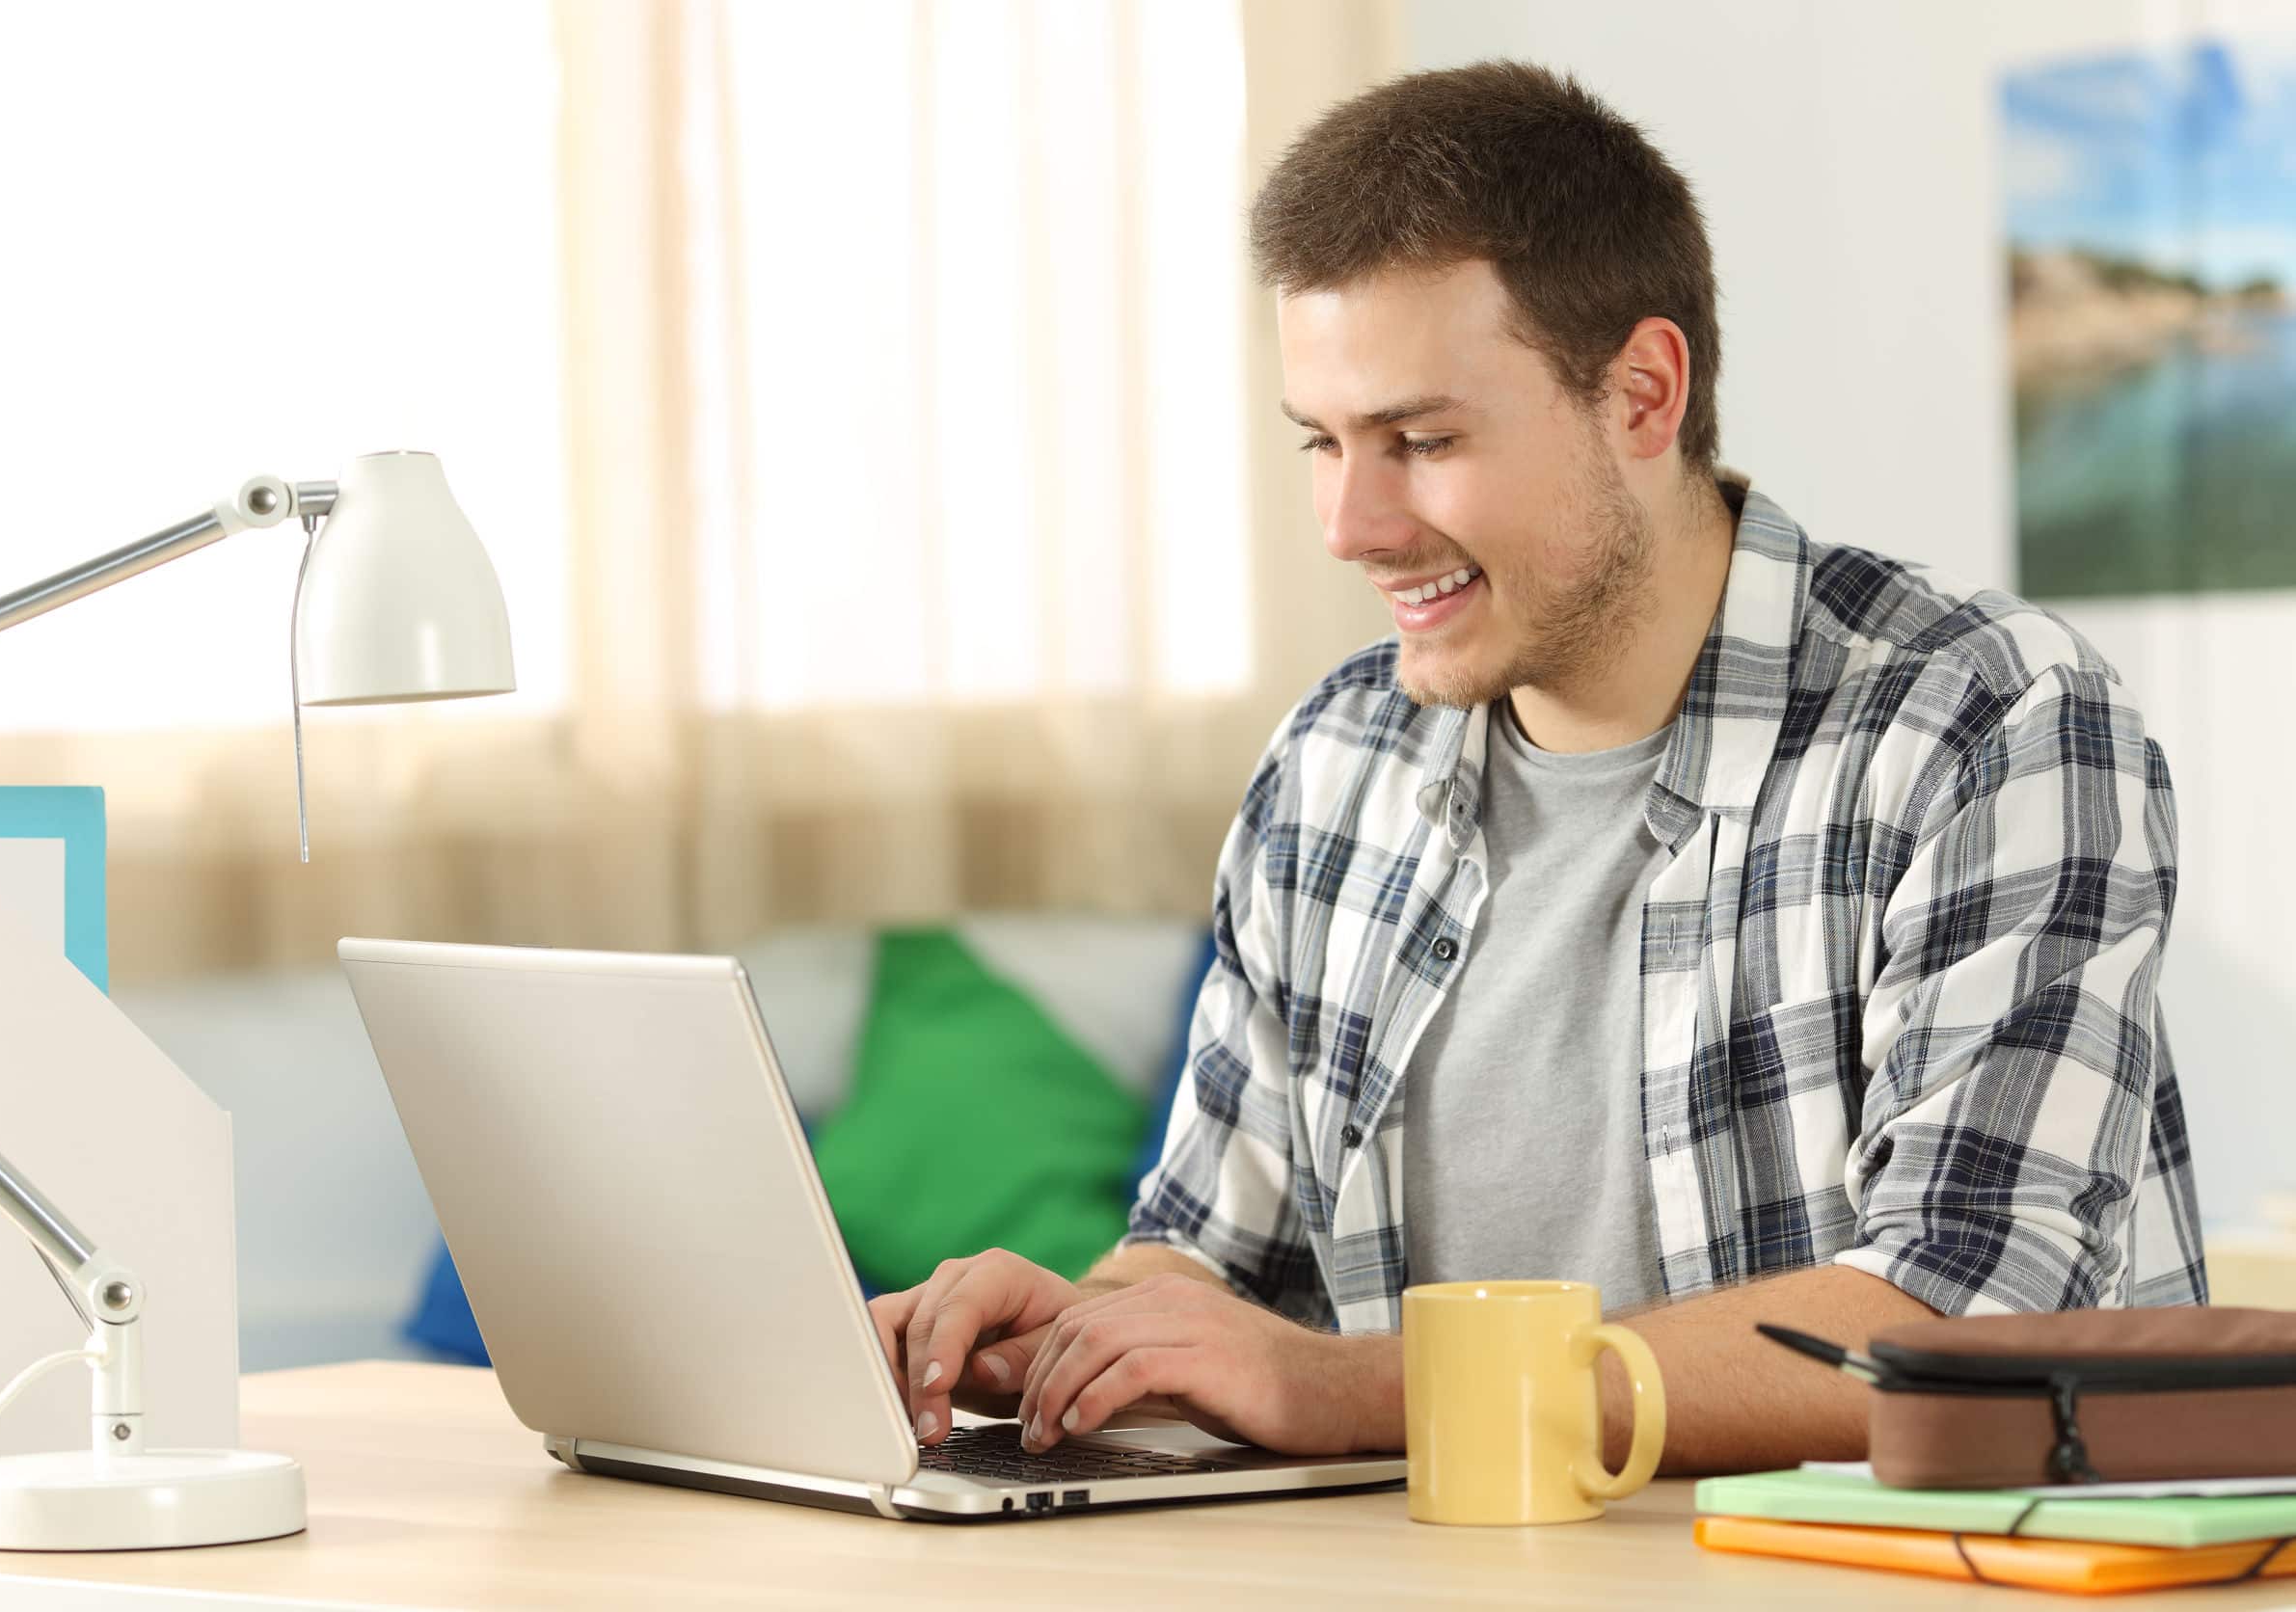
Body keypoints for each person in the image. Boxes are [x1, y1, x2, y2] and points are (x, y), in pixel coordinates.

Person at [868, 60, 2204, 1476]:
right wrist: (1079, 1337)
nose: (1349, 523)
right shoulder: (1332, 767)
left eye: (1421, 440)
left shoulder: (1988, 725)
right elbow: (1217, 1259)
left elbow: (1962, 1323)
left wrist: (1355, 1390)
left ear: (1641, 393)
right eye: (1322, 442)